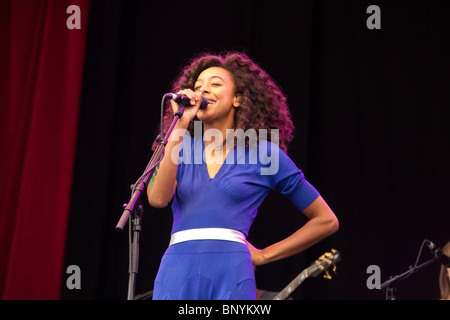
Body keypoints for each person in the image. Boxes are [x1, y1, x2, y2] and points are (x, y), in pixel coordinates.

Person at [147, 51, 339, 300]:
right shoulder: (179, 144)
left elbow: (326, 220)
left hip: (231, 271)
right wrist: (180, 126)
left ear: (238, 99)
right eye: (198, 86)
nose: (203, 90)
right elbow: (157, 199)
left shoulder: (263, 153)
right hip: (177, 268)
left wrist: (264, 255)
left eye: (215, 84)